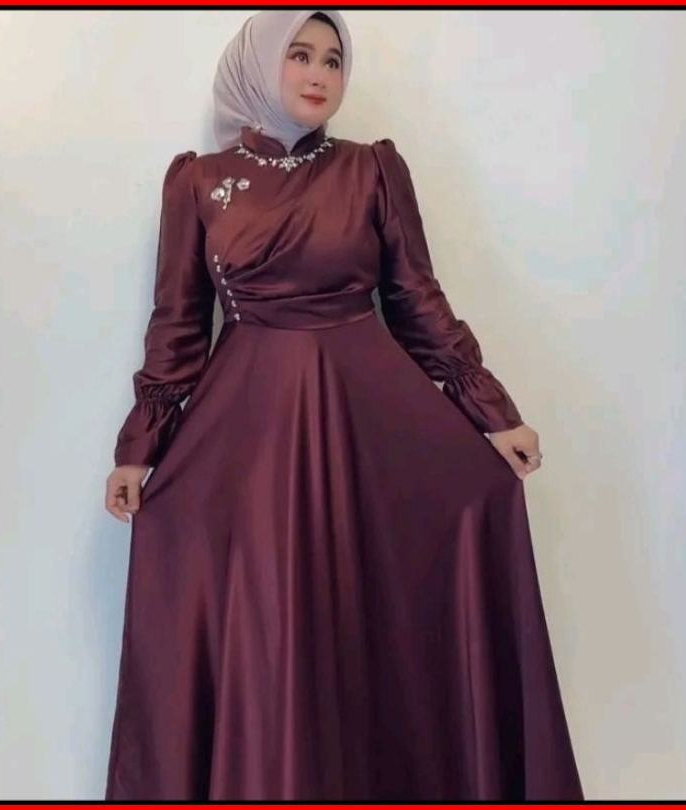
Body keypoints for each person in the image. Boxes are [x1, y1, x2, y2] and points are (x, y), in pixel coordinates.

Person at [103, 9, 583, 802]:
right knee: (265, 621)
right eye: (299, 54)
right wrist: (139, 448)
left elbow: (417, 300)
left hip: (366, 419)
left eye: (333, 59)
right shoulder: (197, 181)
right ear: (260, 65)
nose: (319, 74)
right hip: (248, 430)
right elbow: (179, 323)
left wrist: (491, 412)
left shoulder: (372, 170)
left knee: (370, 614)